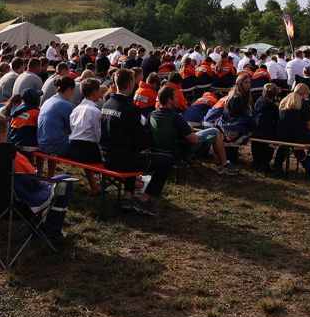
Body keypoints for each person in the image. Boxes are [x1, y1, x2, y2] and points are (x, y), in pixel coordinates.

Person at [0, 113, 74, 243]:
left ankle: (37, 229)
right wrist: (45, 182)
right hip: (17, 206)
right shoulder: (9, 155)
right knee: (65, 181)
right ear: (1, 136)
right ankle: (51, 231)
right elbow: (33, 183)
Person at [99, 69, 174, 216]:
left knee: (132, 151)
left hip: (106, 157)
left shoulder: (107, 103)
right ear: (130, 84)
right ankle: (144, 200)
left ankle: (127, 197)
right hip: (123, 160)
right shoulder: (130, 109)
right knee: (168, 160)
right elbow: (142, 140)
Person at [149, 86, 237, 175]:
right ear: (169, 100)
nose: (177, 99)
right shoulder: (175, 117)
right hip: (179, 150)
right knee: (216, 131)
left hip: (159, 150)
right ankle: (225, 165)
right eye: (175, 97)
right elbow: (194, 140)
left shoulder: (152, 115)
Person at [66, 78, 104, 195]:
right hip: (88, 151)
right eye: (99, 91)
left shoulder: (76, 109)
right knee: (113, 158)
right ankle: (139, 184)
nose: (100, 93)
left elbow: (72, 129)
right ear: (94, 92)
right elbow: (99, 135)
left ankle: (94, 186)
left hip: (73, 149)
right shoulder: (95, 111)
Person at [277, 83, 310, 178]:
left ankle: (278, 167)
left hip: (282, 134)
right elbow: (309, 125)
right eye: (307, 95)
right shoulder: (303, 104)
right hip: (297, 135)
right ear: (304, 93)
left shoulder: (284, 101)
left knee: (288, 146)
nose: (307, 97)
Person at [37, 76, 76, 174]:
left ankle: (49, 176)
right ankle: (94, 183)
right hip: (55, 146)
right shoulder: (66, 104)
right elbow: (72, 129)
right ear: (69, 89)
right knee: (86, 148)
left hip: (41, 144)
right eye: (73, 91)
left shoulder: (48, 101)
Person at [251, 83, 281, 172]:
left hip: (254, 131)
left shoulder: (258, 102)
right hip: (267, 134)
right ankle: (264, 164)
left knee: (257, 146)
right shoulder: (273, 107)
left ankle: (256, 162)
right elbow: (277, 119)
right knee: (270, 144)